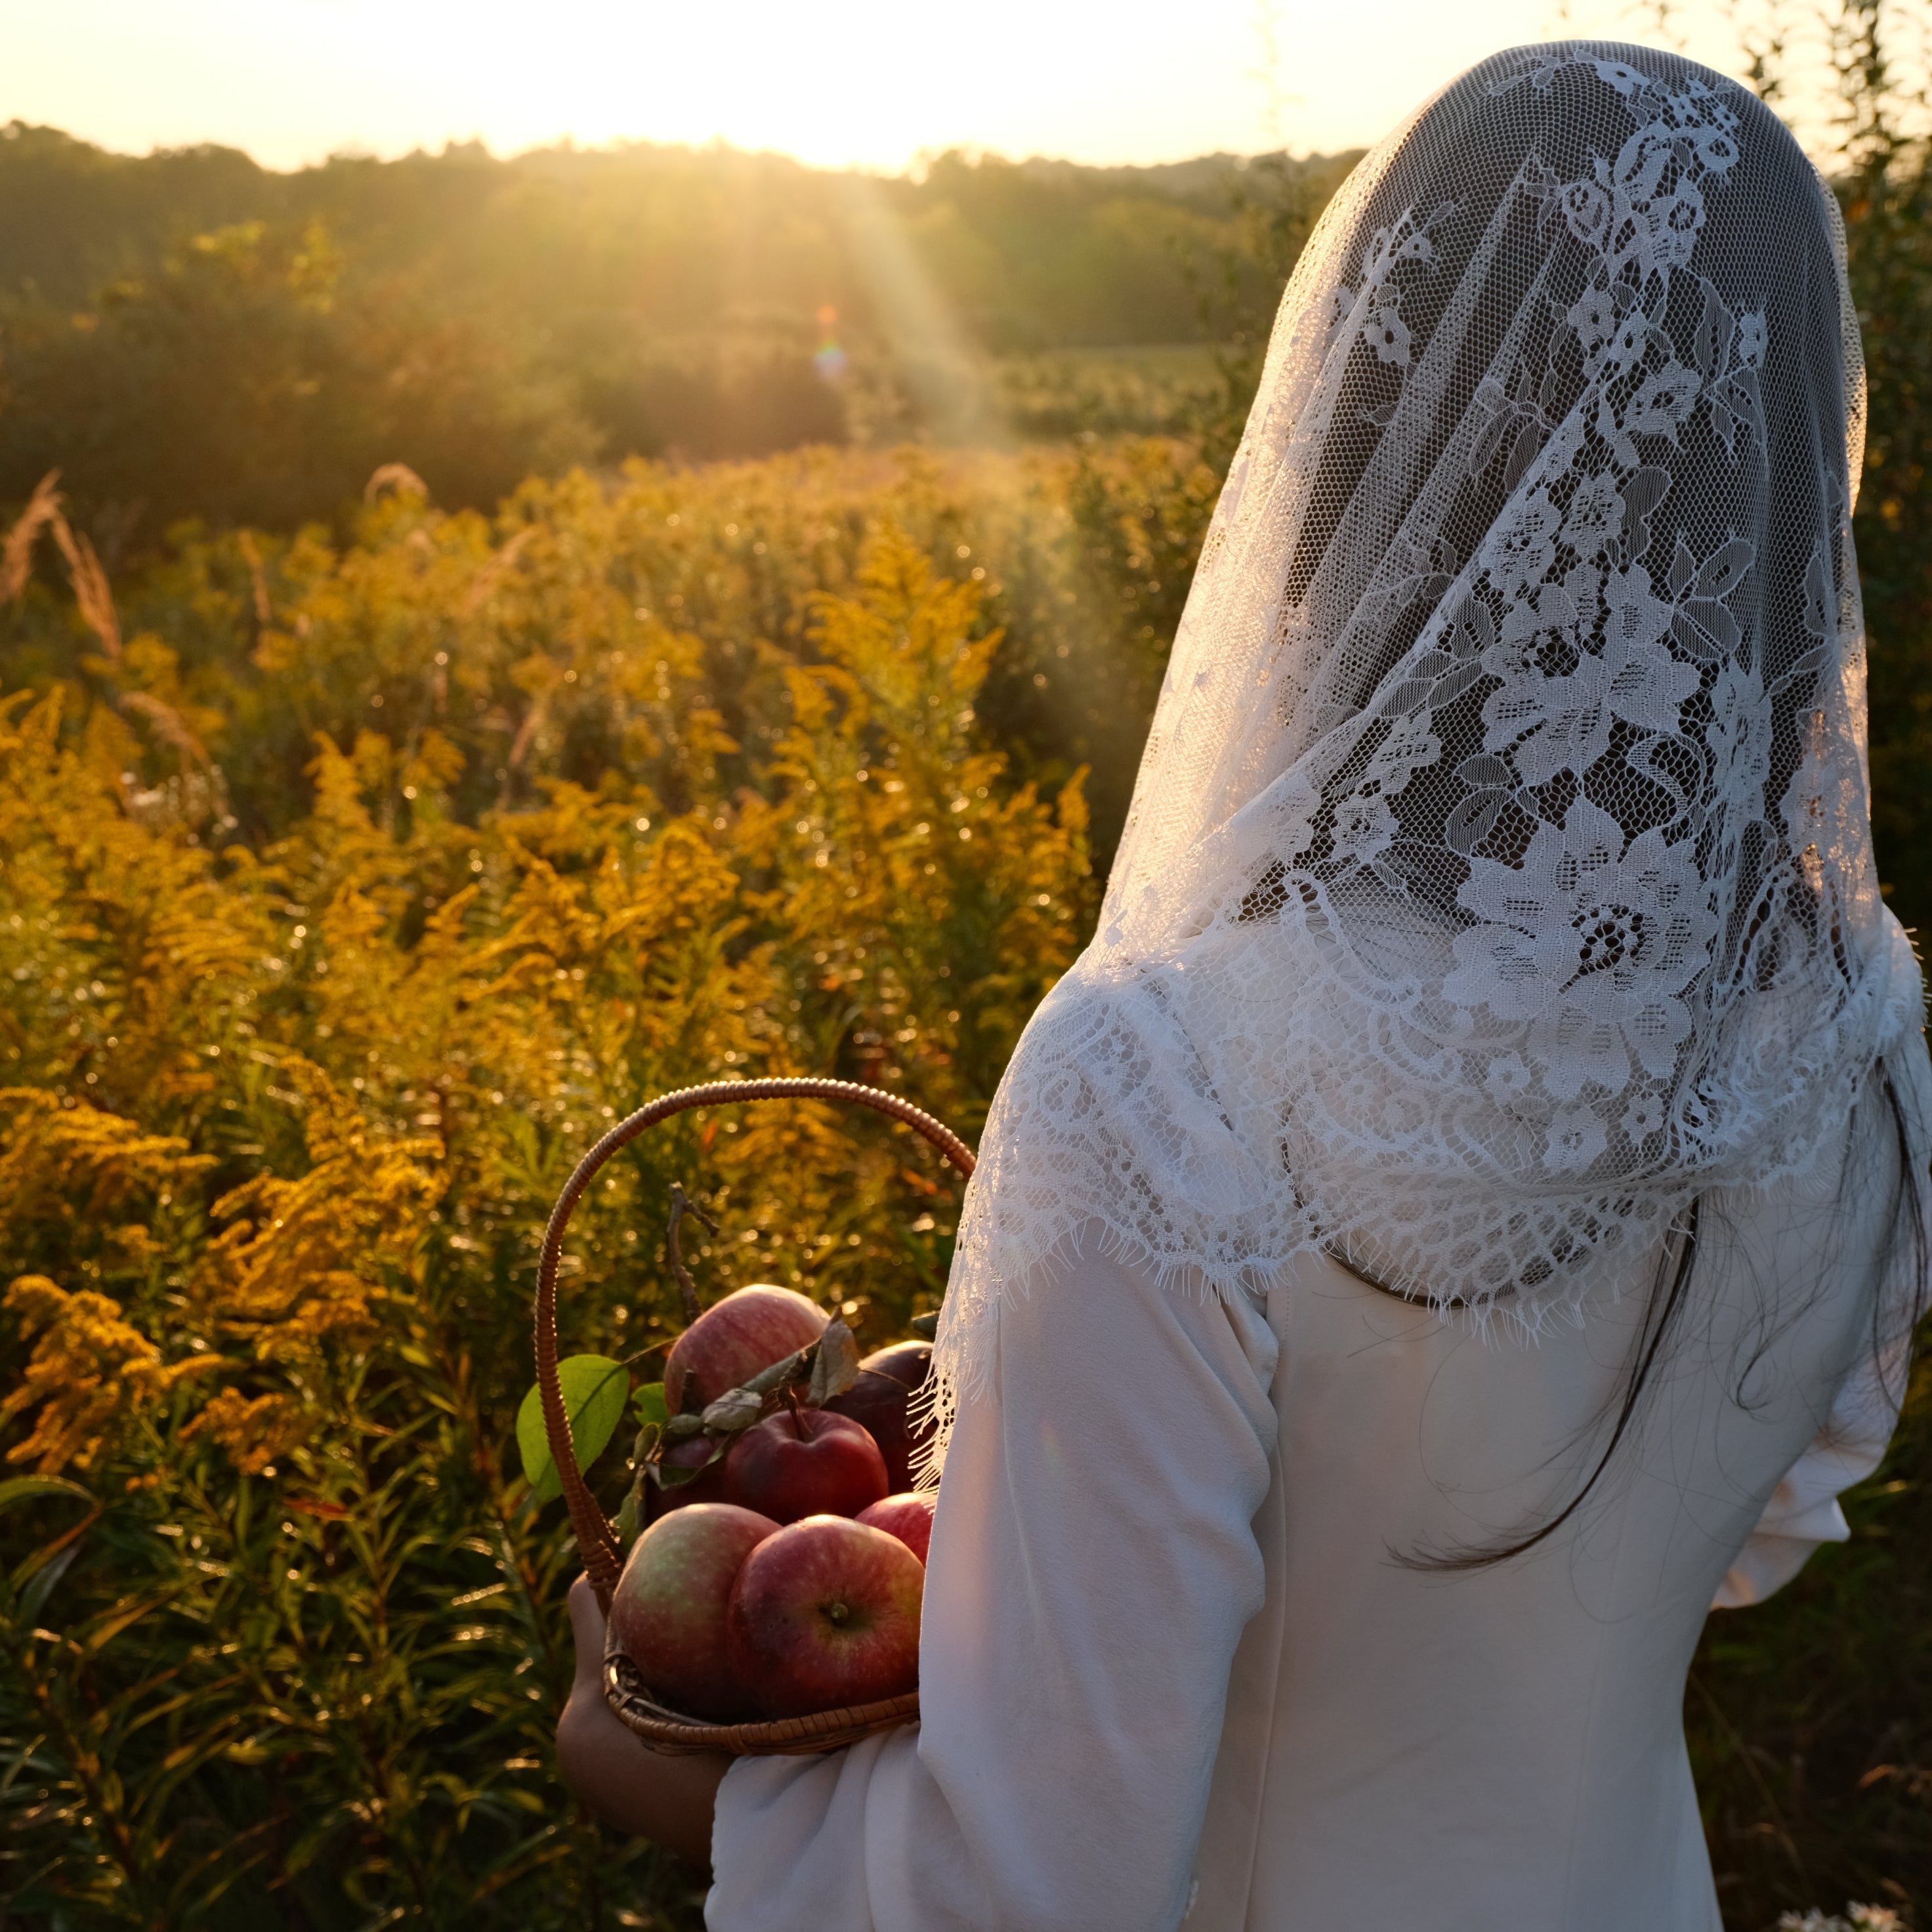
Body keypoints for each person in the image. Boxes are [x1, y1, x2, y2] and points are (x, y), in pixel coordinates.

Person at [556, 41, 1932, 1929]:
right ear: (1777, 456)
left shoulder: (1172, 1076)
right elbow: (1760, 1526)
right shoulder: (1851, 1031)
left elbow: (1023, 1889)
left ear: (1360, 434)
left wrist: (655, 1766)